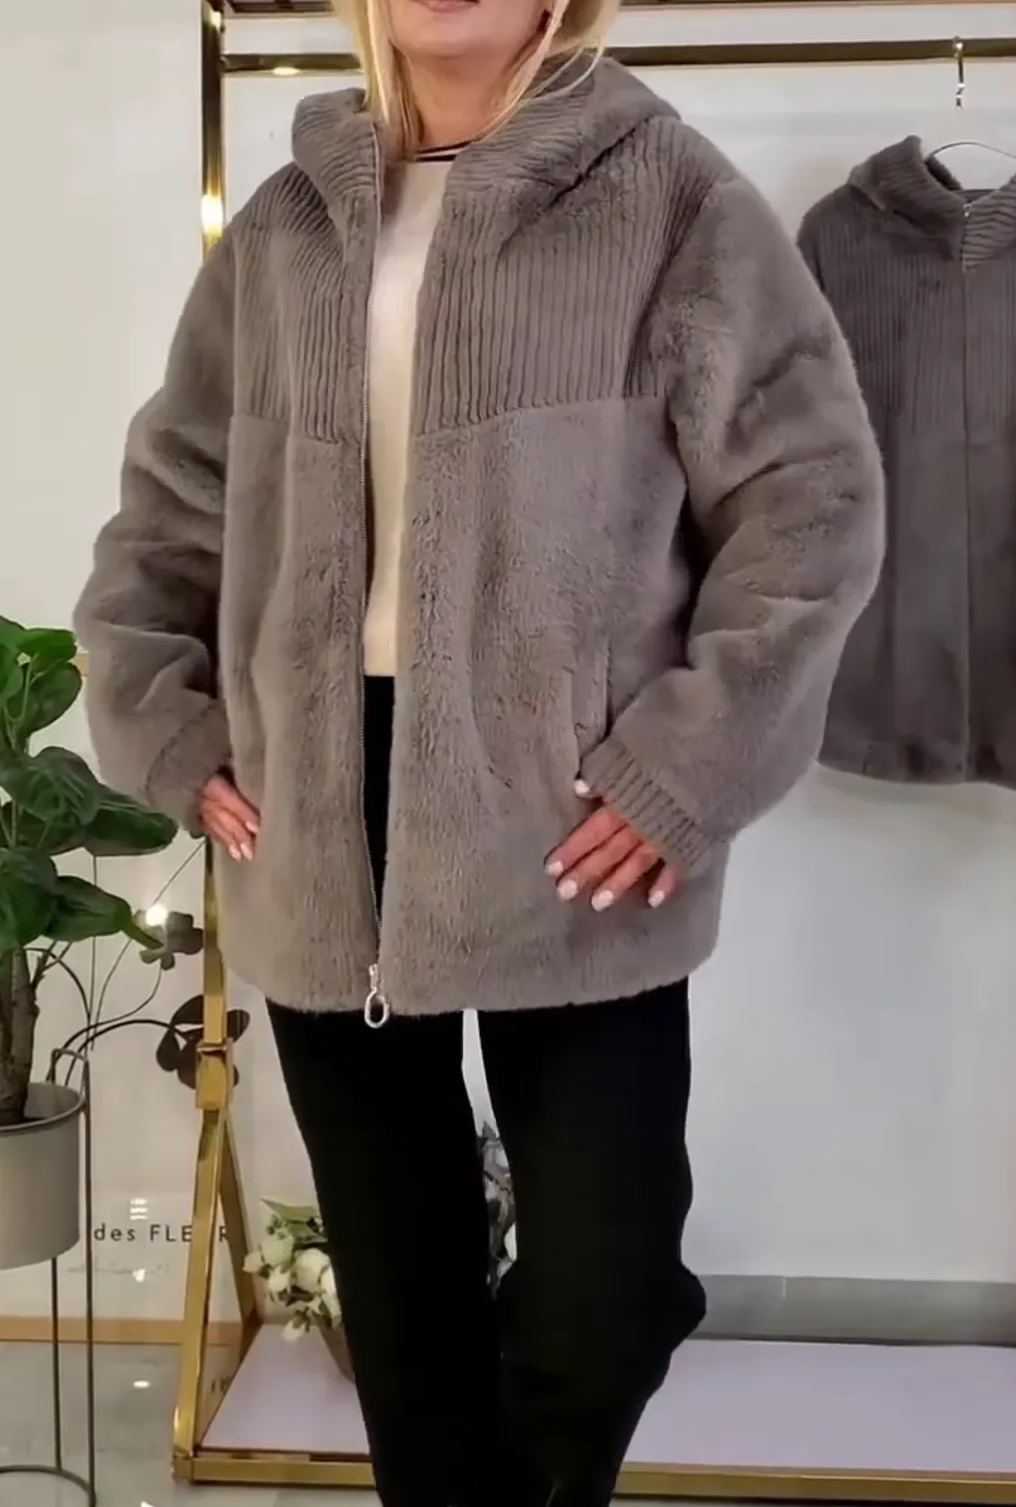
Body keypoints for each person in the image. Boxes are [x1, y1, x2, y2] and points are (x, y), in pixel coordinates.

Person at [76, 0, 884, 1502]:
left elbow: (810, 507)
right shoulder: (287, 225)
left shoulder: (674, 198)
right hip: (315, 798)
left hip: (571, 800)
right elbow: (172, 506)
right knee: (403, 1301)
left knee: (610, 1289)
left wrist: (689, 769)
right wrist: (169, 722)